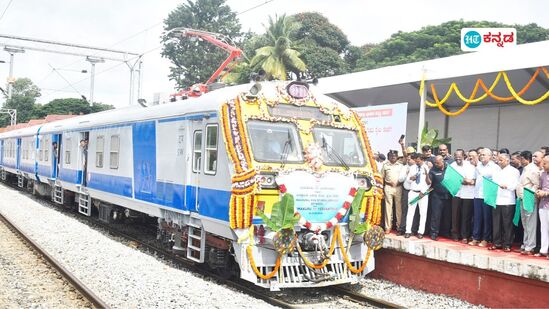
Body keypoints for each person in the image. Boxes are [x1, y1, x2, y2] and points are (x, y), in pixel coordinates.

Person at [470, 148, 500, 247]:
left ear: (490, 156)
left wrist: (476, 167)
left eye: (484, 155)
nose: (481, 156)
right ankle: (475, 237)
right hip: (477, 194)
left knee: (487, 218)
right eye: (481, 155)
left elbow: (494, 180)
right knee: (477, 217)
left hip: (487, 195)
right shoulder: (478, 166)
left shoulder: (494, 167)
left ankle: (486, 238)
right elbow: (475, 179)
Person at [489, 154, 520, 252]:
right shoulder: (496, 170)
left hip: (508, 200)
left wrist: (507, 186)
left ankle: (507, 244)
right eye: (498, 160)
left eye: (501, 160)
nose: (499, 162)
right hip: (496, 199)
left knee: (507, 224)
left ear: (507, 160)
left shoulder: (514, 171)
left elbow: (516, 184)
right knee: (496, 223)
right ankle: (497, 242)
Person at [516, 151, 542, 255]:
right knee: (525, 223)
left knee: (530, 223)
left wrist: (530, 193)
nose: (520, 161)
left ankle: (530, 246)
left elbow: (537, 184)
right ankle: (526, 243)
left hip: (529, 198)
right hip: (522, 198)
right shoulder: (525, 169)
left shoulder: (533, 170)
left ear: (527, 159)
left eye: (522, 159)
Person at [451, 149, 476, 242]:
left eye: (459, 156)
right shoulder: (452, 166)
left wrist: (467, 181)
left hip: (468, 194)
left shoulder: (470, 166)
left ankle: (465, 235)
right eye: (456, 156)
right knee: (455, 215)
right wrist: (463, 181)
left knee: (466, 216)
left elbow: (473, 180)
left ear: (463, 156)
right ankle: (455, 235)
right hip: (456, 193)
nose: (458, 158)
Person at [404, 153, 431, 239]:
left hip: (423, 194)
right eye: (416, 160)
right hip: (413, 192)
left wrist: (423, 192)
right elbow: (408, 180)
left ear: (422, 160)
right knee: (410, 212)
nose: (417, 162)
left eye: (418, 161)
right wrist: (411, 179)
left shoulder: (427, 168)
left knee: (423, 213)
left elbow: (429, 183)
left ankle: (420, 232)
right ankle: (408, 231)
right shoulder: (412, 168)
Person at [428, 155, 451, 240]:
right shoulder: (433, 169)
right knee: (436, 216)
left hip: (448, 195)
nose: (436, 164)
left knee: (447, 215)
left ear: (442, 161)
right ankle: (434, 233)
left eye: (437, 163)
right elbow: (429, 182)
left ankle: (445, 232)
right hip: (436, 196)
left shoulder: (449, 168)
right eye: (435, 163)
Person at [381, 150, 403, 233]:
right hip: (388, 187)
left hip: (398, 188)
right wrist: (383, 188)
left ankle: (399, 227)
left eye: (394, 156)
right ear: (388, 157)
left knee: (398, 208)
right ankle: (387, 227)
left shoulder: (401, 166)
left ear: (397, 157)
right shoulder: (385, 165)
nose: (393, 157)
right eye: (391, 156)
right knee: (388, 208)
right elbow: (381, 178)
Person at [397, 153, 415, 236]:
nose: (408, 160)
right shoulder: (404, 167)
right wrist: (406, 173)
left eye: (410, 159)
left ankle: (412, 229)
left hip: (415, 191)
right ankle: (402, 229)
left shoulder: (417, 168)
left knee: (414, 212)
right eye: (407, 159)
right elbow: (400, 179)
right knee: (405, 210)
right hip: (406, 191)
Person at [535, 156, 549, 258]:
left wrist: (545, 193)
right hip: (542, 205)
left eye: (545, 163)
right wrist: (538, 192)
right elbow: (540, 187)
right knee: (543, 228)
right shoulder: (542, 174)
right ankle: (543, 250)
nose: (542, 165)